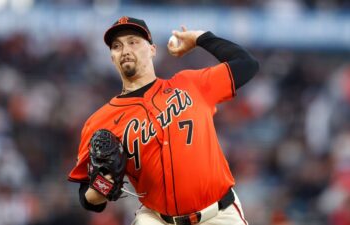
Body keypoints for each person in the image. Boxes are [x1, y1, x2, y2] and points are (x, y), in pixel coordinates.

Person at [68, 16, 259, 225]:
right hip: (156, 219)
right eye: (116, 46)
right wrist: (102, 187)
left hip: (219, 214)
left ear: (152, 50)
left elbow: (247, 64)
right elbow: (87, 197)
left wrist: (200, 38)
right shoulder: (99, 122)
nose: (125, 50)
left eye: (133, 41)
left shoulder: (190, 84)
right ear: (112, 57)